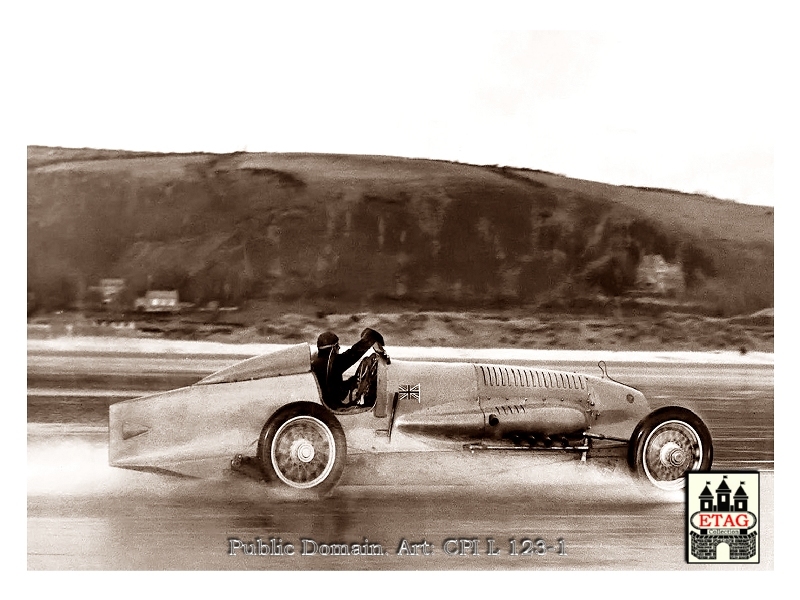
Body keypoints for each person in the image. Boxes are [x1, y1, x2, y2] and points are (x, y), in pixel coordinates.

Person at [311, 327, 385, 408]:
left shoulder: (319, 362)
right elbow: (352, 354)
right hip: (333, 407)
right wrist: (369, 338)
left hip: (327, 404)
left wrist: (352, 381)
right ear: (333, 348)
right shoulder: (331, 363)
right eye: (338, 346)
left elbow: (335, 388)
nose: (339, 349)